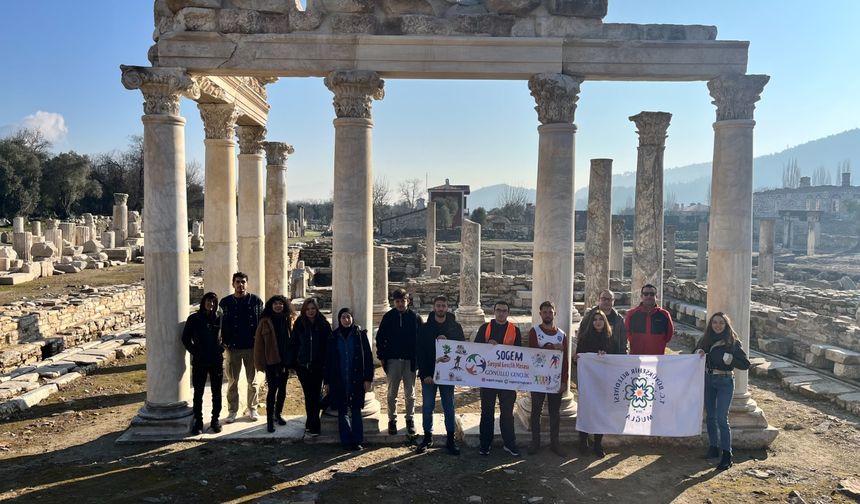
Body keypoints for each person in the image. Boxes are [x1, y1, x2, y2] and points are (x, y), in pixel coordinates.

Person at [695, 312, 751, 471]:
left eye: (721, 323)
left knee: (721, 418)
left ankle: (727, 454)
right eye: (714, 322)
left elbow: (745, 364)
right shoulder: (705, 340)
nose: (717, 325)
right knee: (710, 416)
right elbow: (695, 352)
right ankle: (713, 447)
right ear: (710, 325)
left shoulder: (732, 342)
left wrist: (731, 359)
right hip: (708, 379)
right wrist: (698, 353)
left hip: (725, 381)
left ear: (726, 325)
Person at [415, 295, 465, 455]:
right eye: (438, 305)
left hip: (448, 375)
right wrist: (425, 374)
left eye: (443, 305)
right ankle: (427, 437)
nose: (441, 308)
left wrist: (448, 340)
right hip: (429, 375)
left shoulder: (455, 327)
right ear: (434, 307)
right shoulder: (425, 328)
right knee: (428, 406)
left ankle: (450, 439)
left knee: (449, 407)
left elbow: (462, 348)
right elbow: (420, 352)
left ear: (447, 308)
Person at [475, 301, 522, 457]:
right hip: (487, 378)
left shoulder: (515, 330)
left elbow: (519, 354)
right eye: (498, 310)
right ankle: (485, 444)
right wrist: (487, 344)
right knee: (486, 412)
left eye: (504, 310)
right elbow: (475, 348)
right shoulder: (485, 328)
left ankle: (509, 444)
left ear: (508, 313)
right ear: (494, 312)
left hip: (507, 379)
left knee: (507, 413)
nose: (501, 313)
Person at [573, 309, 622, 457]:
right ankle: (583, 441)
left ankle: (598, 443)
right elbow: (579, 361)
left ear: (605, 322)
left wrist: (606, 357)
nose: (597, 322)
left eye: (600, 319)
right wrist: (578, 358)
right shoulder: (584, 338)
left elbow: (616, 359)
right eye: (594, 320)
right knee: (586, 410)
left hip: (604, 381)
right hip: (588, 382)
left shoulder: (611, 339)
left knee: (601, 411)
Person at [324, 307, 374, 451]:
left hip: (356, 377)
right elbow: (328, 361)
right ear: (339, 320)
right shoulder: (333, 336)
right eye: (343, 317)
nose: (346, 320)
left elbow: (368, 359)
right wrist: (327, 381)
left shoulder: (360, 335)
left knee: (356, 409)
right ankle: (346, 440)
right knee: (342, 410)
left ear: (352, 318)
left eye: (348, 317)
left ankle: (357, 440)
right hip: (338, 378)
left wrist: (368, 379)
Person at [376, 288, 423, 436]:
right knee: (392, 393)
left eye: (403, 301)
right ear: (393, 302)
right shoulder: (388, 317)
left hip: (410, 361)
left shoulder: (415, 317)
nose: (400, 304)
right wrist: (382, 357)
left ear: (408, 301)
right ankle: (392, 420)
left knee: (410, 394)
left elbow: (423, 339)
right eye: (397, 301)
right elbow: (380, 338)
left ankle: (410, 420)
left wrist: (419, 360)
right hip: (393, 360)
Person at [220, 272, 264, 423]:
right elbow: (220, 324)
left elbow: (262, 322)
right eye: (238, 282)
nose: (241, 285)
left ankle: (252, 408)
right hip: (233, 348)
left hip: (252, 347)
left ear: (247, 283)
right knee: (233, 381)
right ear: (233, 284)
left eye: (243, 282)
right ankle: (232, 411)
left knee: (253, 381)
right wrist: (223, 343)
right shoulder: (225, 303)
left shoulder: (256, 301)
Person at [526, 301, 569, 457]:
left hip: (555, 380)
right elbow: (533, 353)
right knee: (536, 411)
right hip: (538, 378)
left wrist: (565, 380)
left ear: (554, 314)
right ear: (540, 314)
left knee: (554, 413)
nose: (547, 315)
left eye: (550, 312)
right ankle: (535, 442)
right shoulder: (534, 332)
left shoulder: (561, 335)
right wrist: (551, 349)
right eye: (545, 312)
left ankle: (555, 443)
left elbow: (564, 360)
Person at [181, 292, 224, 435]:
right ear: (203, 302)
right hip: (200, 361)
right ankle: (198, 422)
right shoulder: (193, 319)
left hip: (216, 360)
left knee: (216, 392)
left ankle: (215, 420)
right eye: (208, 301)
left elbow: (225, 335)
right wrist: (195, 351)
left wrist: (221, 348)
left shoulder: (219, 318)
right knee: (198, 393)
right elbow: (185, 339)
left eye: (213, 302)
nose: (211, 304)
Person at [288, 298, 331, 437]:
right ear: (304, 310)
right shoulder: (300, 324)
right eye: (308, 309)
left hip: (318, 366)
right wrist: (291, 364)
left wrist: (326, 364)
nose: (310, 311)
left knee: (315, 394)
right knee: (309, 395)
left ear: (316, 309)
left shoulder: (323, 324)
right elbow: (294, 344)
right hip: (303, 366)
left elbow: (327, 347)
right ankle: (312, 423)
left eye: (313, 308)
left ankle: (312, 423)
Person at [254, 295, 294, 433]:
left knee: (282, 389)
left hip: (285, 360)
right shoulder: (265, 321)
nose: (278, 306)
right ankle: (270, 420)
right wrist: (260, 363)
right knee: (272, 390)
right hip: (271, 360)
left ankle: (278, 414)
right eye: (275, 303)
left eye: (281, 304)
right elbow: (259, 344)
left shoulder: (289, 319)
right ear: (271, 305)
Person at [624, 283, 674, 355]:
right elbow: (626, 332)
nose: (649, 296)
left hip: (657, 357)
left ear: (656, 296)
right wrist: (634, 340)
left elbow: (669, 335)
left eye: (652, 294)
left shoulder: (664, 314)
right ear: (641, 296)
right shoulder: (631, 314)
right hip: (637, 356)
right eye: (646, 294)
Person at [581, 289, 627, 355]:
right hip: (592, 358)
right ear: (599, 300)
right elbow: (582, 337)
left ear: (613, 301)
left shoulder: (619, 319)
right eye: (604, 299)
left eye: (609, 299)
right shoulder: (589, 316)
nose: (606, 301)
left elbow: (622, 341)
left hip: (612, 359)